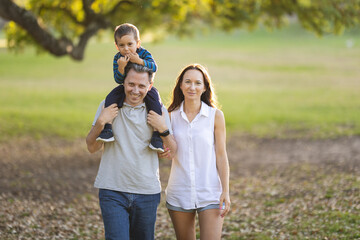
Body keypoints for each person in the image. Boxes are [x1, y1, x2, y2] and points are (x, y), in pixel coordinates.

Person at [86, 63, 177, 240]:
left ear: (149, 86)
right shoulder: (108, 105)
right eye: (131, 84)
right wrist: (100, 123)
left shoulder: (158, 111)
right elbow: (92, 147)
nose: (135, 90)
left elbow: (172, 151)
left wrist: (163, 129)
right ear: (123, 82)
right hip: (112, 189)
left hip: (147, 192)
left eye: (142, 86)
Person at [148, 63, 230, 240]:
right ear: (180, 85)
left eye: (197, 83)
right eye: (188, 82)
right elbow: (164, 150)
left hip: (210, 193)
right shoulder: (169, 116)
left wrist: (226, 191)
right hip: (179, 192)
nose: (192, 87)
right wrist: (162, 152)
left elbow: (221, 155)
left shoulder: (215, 117)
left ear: (205, 87)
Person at [97, 23, 164, 152]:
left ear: (137, 43)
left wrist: (139, 61)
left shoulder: (143, 53)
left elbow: (154, 67)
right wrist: (121, 67)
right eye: (122, 45)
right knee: (110, 98)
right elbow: (118, 79)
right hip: (125, 87)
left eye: (130, 44)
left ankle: (156, 136)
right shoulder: (118, 58)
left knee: (155, 102)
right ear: (116, 46)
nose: (126, 49)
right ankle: (108, 128)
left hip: (145, 88)